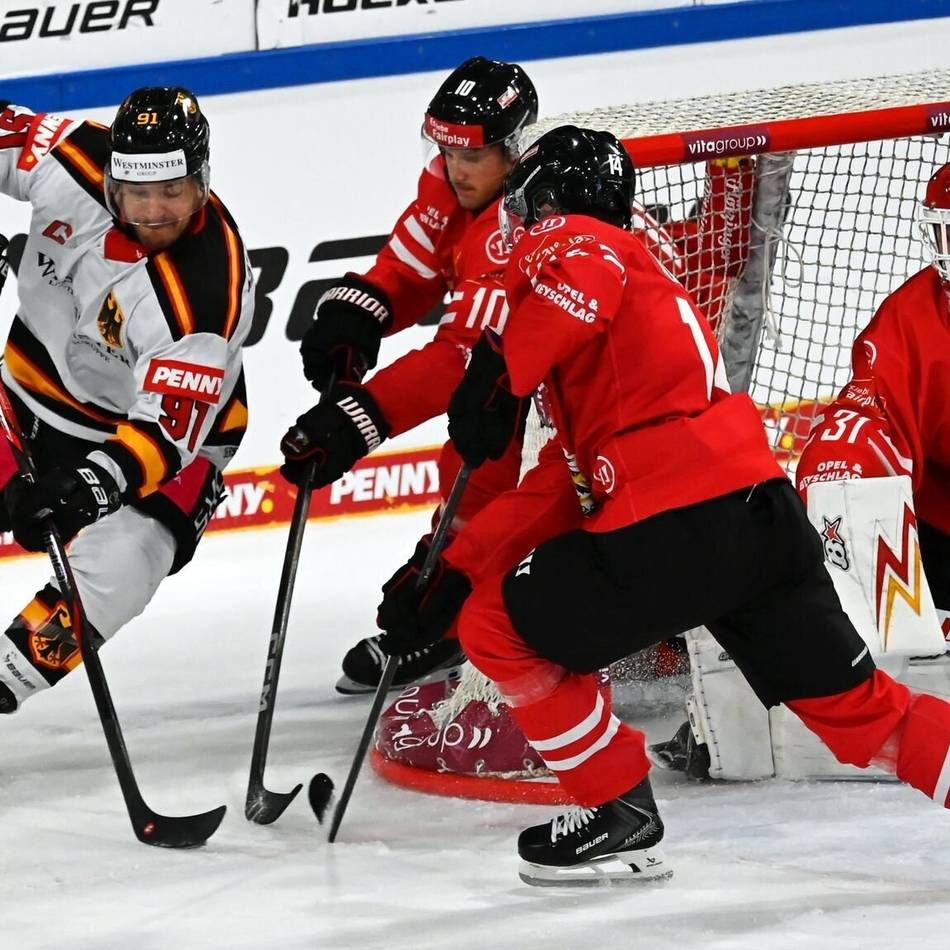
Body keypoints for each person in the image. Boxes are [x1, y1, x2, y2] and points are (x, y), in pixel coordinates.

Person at [373, 125, 950, 886]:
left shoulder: (584, 248)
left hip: (671, 529)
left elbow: (576, 259)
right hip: (761, 519)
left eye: (527, 210)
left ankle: (618, 809)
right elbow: (561, 478)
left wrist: (500, 368)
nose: (518, 230)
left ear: (549, 204)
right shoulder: (636, 307)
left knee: (494, 626)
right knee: (861, 715)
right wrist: (452, 567)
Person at [279, 56, 538, 693]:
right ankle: (460, 597)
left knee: (487, 461)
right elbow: (410, 271)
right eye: (444, 149)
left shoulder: (527, 218)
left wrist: (357, 420)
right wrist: (358, 315)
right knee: (478, 456)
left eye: (471, 155)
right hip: (527, 379)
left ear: (515, 150)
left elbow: (462, 357)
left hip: (587, 392)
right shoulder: (451, 188)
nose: (454, 167)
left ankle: (461, 613)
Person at [0, 87, 253, 713]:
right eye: (137, 192)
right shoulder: (70, 158)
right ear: (111, 178)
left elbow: (162, 438)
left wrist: (86, 486)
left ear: (202, 178)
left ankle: (4, 679)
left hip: (155, 445)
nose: (155, 210)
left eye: (173, 190)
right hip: (27, 397)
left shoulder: (202, 294)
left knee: (122, 569)